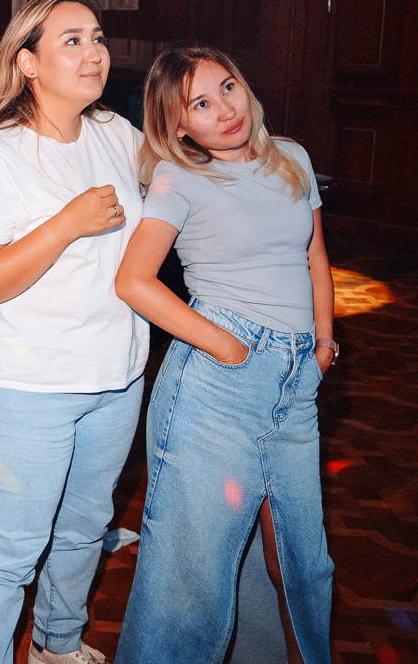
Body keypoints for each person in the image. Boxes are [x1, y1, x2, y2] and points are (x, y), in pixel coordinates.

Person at [113, 43, 335, 664]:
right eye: (201, 105)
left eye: (227, 88)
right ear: (180, 126)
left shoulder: (292, 157)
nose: (226, 110)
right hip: (217, 386)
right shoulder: (178, 177)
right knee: (191, 573)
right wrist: (229, 347)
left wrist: (323, 343)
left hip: (295, 380)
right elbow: (133, 280)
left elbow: (315, 258)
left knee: (302, 562)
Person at [0, 0, 148, 664]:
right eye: (72, 41)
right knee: (6, 552)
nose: (94, 53)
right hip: (24, 386)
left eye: (98, 38)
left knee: (85, 529)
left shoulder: (116, 134)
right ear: (27, 62)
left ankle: (56, 645)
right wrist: (65, 224)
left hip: (116, 377)